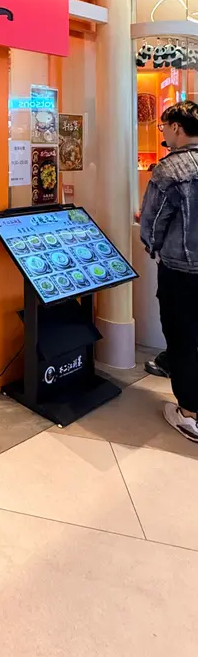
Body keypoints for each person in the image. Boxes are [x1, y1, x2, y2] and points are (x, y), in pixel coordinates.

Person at [140, 101, 198, 442]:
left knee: (183, 338)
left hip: (182, 269)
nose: (163, 132)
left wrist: (152, 247)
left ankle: (189, 413)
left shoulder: (171, 169)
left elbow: (152, 221)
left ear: (176, 127)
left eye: (163, 127)